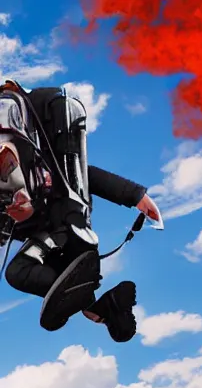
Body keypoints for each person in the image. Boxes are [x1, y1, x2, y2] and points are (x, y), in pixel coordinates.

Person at [0, 79, 163, 342]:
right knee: (18, 272)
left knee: (17, 273)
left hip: (65, 229)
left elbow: (85, 175)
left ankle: (99, 307)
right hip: (56, 241)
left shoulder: (42, 162)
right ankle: (99, 307)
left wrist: (135, 195)